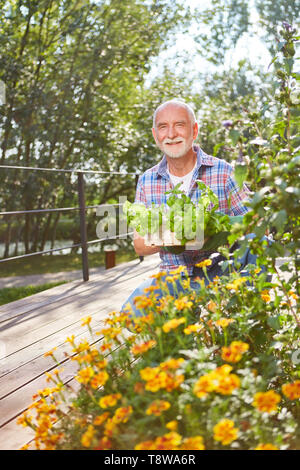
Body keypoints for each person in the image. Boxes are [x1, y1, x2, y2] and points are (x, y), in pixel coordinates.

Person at [121, 99, 271, 316]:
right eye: (163, 127)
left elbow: (259, 226)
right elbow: (140, 244)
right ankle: (185, 320)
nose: (171, 134)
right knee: (132, 315)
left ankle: (248, 317)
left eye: (179, 125)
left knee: (262, 244)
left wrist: (216, 232)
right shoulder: (147, 180)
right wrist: (180, 236)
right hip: (174, 277)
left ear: (194, 130)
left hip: (221, 270)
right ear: (155, 134)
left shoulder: (223, 170)